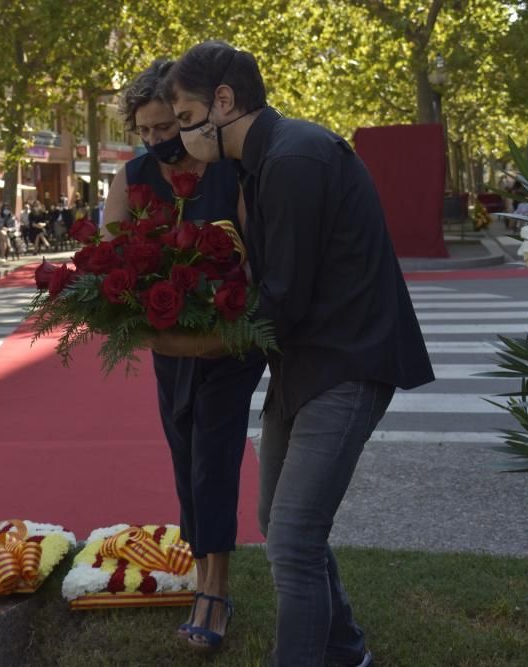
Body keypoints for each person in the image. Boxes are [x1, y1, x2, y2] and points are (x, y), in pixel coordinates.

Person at [165, 41, 434, 666]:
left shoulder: (294, 158)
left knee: (291, 540)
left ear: (223, 102)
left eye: (184, 120)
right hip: (306, 365)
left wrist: (187, 341)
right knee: (279, 519)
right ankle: (345, 651)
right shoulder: (267, 161)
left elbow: (279, 298)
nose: (181, 139)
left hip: (346, 364)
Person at [102, 59, 266, 652]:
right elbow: (110, 268)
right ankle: (204, 572)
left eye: (165, 126)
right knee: (183, 446)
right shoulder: (134, 176)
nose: (155, 141)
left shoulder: (234, 171)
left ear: (187, 114)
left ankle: (215, 589)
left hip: (231, 342)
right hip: (170, 343)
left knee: (213, 451)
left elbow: (258, 266)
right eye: (143, 131)